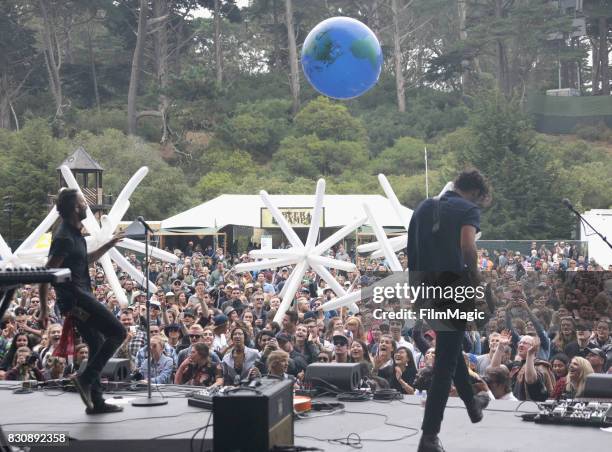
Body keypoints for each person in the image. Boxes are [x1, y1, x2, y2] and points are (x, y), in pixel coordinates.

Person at [407, 169, 492, 452]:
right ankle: (429, 436)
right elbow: (467, 247)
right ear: (476, 194)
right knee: (444, 365)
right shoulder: (467, 209)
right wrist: (476, 283)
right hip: (453, 288)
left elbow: (413, 252)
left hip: (424, 287)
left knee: (451, 349)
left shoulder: (422, 207)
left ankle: (472, 407)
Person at [39, 188, 126, 414]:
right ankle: (85, 379)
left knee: (96, 343)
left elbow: (82, 261)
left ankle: (96, 402)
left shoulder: (76, 234)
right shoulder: (64, 237)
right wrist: (42, 308)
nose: (87, 206)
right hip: (76, 300)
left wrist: (107, 245)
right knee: (118, 332)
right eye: (83, 202)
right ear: (76, 208)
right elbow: (47, 272)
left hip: (82, 295)